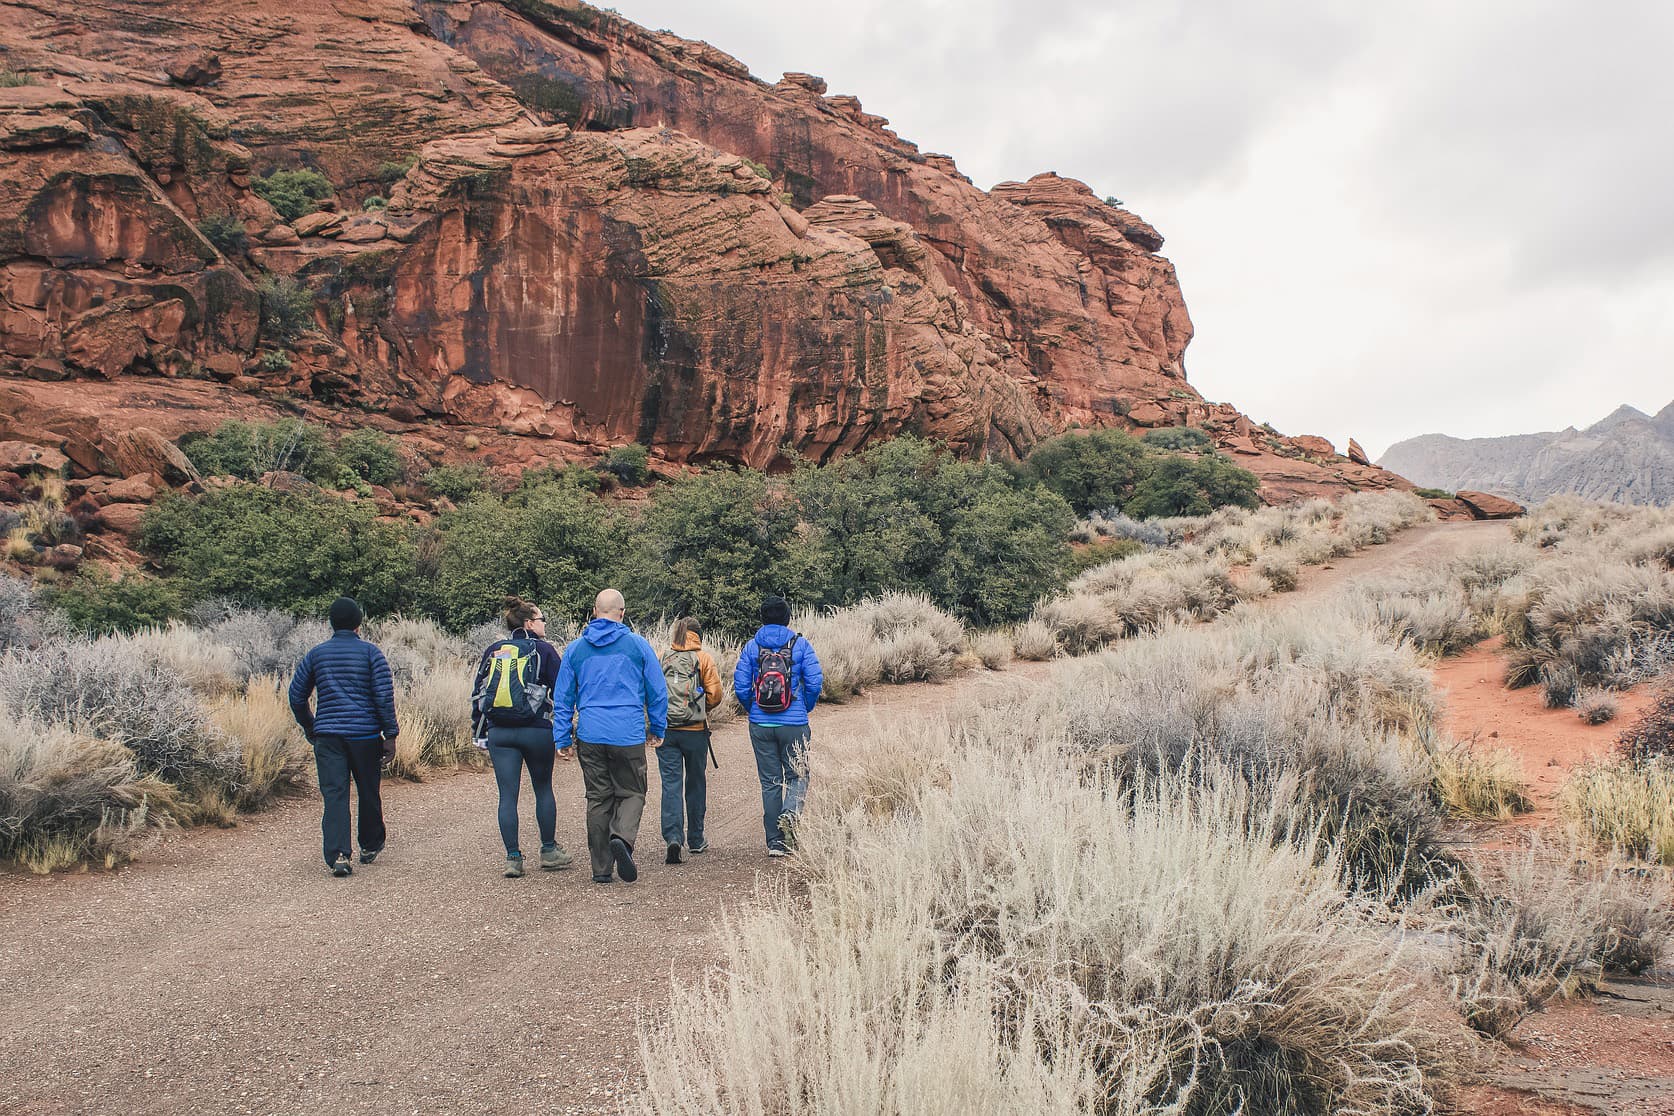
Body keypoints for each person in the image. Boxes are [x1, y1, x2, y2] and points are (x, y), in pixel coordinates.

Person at [552, 588, 668, 884]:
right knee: (632, 792)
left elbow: (563, 697)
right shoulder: (638, 645)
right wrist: (657, 728)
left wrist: (562, 738)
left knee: (598, 798)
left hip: (591, 733)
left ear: (594, 611)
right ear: (622, 613)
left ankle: (601, 868)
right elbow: (657, 691)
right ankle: (622, 838)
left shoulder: (576, 649)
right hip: (627, 733)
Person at [288, 596, 399, 877]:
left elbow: (296, 695)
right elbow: (383, 697)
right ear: (359, 624)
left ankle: (338, 854)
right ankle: (370, 844)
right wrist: (390, 734)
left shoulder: (316, 654)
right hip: (364, 734)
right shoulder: (371, 654)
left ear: (331, 623)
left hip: (328, 735)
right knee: (368, 790)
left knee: (335, 794)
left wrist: (311, 726)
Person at [472, 596, 573, 878]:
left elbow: (479, 693)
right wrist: (566, 730)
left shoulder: (494, 650)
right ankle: (549, 850)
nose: (544, 624)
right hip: (537, 729)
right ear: (529, 623)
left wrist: (479, 733)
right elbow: (562, 691)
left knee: (507, 796)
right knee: (543, 788)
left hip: (499, 732)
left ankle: (513, 858)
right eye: (541, 619)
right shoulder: (545, 650)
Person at [734, 596, 824, 858]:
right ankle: (791, 814)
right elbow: (815, 682)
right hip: (794, 722)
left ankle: (775, 842)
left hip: (761, 724)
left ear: (762, 618)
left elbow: (740, 685)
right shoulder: (800, 644)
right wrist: (803, 707)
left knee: (770, 782)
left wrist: (754, 709)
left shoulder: (752, 647)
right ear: (788, 618)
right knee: (798, 775)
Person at [658, 617, 724, 864]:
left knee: (670, 784)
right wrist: (698, 708)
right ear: (698, 635)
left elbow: (653, 690)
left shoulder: (663, 655)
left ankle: (673, 837)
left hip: (667, 730)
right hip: (695, 730)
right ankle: (696, 839)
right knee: (695, 783)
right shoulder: (703, 658)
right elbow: (715, 695)